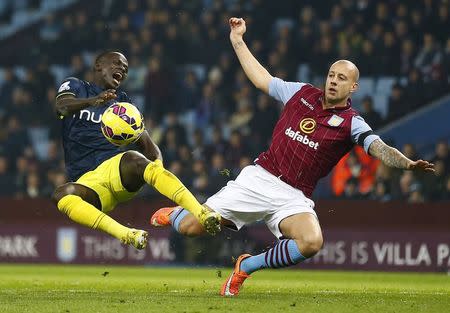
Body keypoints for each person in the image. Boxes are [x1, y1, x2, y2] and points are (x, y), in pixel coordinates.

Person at [150, 18, 435, 296]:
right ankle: (176, 214)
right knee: (191, 228)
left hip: (294, 196)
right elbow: (263, 79)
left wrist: (406, 163)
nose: (334, 81)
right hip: (260, 179)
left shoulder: (352, 123)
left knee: (311, 242)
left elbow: (379, 147)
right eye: (332, 75)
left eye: (342, 78)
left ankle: (246, 265)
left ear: (353, 88)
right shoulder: (301, 93)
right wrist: (237, 41)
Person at [52, 51, 220, 251]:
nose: (122, 70)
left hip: (116, 171)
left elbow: (148, 145)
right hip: (88, 183)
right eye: (116, 64)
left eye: (125, 69)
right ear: (98, 65)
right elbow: (61, 107)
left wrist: (157, 169)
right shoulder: (77, 86)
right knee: (61, 194)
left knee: (134, 157)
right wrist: (93, 101)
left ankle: (201, 213)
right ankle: (127, 234)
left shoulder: (123, 104)